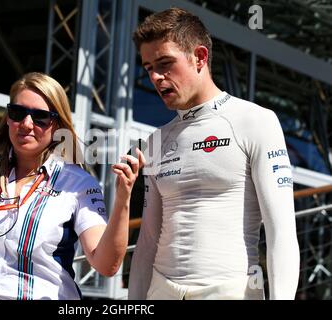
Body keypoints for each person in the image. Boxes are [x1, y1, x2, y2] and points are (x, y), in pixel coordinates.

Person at [128, 8, 300, 300]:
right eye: (148, 68)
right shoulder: (155, 141)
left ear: (200, 57)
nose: (156, 77)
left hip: (230, 290)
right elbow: (147, 241)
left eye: (165, 63)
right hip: (161, 290)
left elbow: (281, 230)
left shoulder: (255, 120)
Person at [0, 72, 142, 300]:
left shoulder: (77, 183)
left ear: (58, 125)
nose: (26, 124)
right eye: (17, 113)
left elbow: (106, 265)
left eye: (40, 117)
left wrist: (123, 198)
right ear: (7, 117)